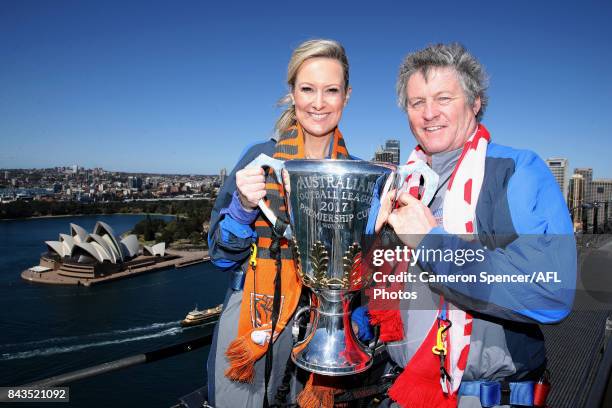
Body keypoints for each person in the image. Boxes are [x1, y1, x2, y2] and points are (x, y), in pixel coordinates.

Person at [368, 43, 576, 408]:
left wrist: (431, 244)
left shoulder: (516, 171)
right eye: (417, 102)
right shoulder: (400, 183)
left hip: (485, 396)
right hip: (405, 389)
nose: (429, 113)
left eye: (443, 98)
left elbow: (551, 291)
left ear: (475, 102)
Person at [206, 39, 353, 408]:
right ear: (292, 94)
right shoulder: (261, 158)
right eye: (307, 89)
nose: (318, 102)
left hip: (326, 325)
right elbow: (220, 257)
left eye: (331, 90)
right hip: (257, 317)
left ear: (346, 97)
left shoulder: (354, 172)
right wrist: (242, 207)